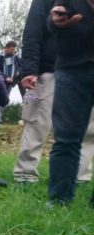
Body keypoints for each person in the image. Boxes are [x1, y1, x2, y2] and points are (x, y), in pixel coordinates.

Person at [13, 0, 94, 184]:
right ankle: (25, 173)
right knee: (38, 121)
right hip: (50, 68)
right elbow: (33, 31)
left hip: (87, 67)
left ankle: (78, 176)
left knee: (89, 127)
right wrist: (30, 69)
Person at [46, 0, 94, 206]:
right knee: (66, 137)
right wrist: (55, 21)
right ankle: (59, 199)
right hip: (72, 67)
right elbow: (48, 22)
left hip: (73, 68)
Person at [0, 41, 22, 124]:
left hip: (10, 83)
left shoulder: (16, 58)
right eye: (10, 48)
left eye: (13, 48)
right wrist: (5, 78)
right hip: (0, 82)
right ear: (5, 48)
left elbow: (21, 66)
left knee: (5, 100)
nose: (12, 50)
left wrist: (18, 72)